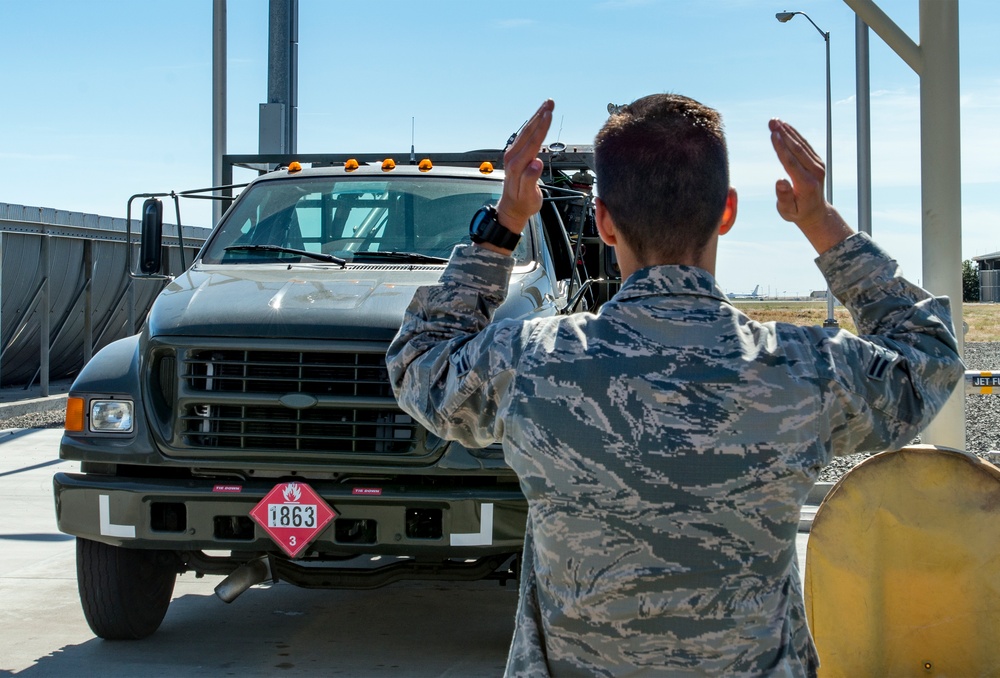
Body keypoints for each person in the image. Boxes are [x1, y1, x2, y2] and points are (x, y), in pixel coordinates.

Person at [386, 95, 963, 676]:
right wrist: (821, 223)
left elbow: (420, 364)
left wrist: (505, 222)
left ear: (604, 221)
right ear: (727, 212)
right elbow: (928, 362)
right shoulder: (803, 368)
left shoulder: (534, 362)